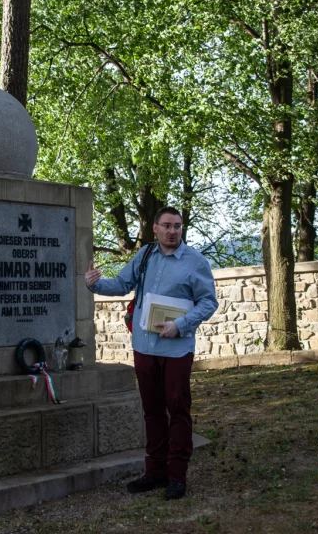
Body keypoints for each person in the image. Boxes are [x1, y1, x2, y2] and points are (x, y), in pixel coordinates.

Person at [85, 206, 217, 500]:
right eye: (167, 226)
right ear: (155, 228)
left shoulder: (196, 262)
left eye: (178, 226)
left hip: (176, 349)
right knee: (152, 410)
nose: (173, 231)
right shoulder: (144, 255)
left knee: (178, 410)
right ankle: (154, 472)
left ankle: (176, 476)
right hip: (144, 347)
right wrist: (94, 284)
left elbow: (208, 303)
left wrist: (179, 325)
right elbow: (121, 284)